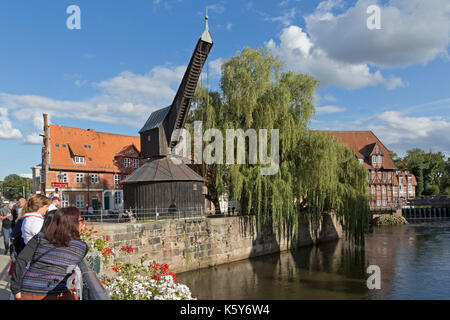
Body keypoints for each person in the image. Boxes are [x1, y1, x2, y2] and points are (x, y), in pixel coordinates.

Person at [11, 207, 88, 300]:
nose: (83, 223)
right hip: (55, 293)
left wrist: (16, 290)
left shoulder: (39, 238)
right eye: (81, 220)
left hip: (28, 290)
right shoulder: (81, 247)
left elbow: (21, 260)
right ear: (72, 223)